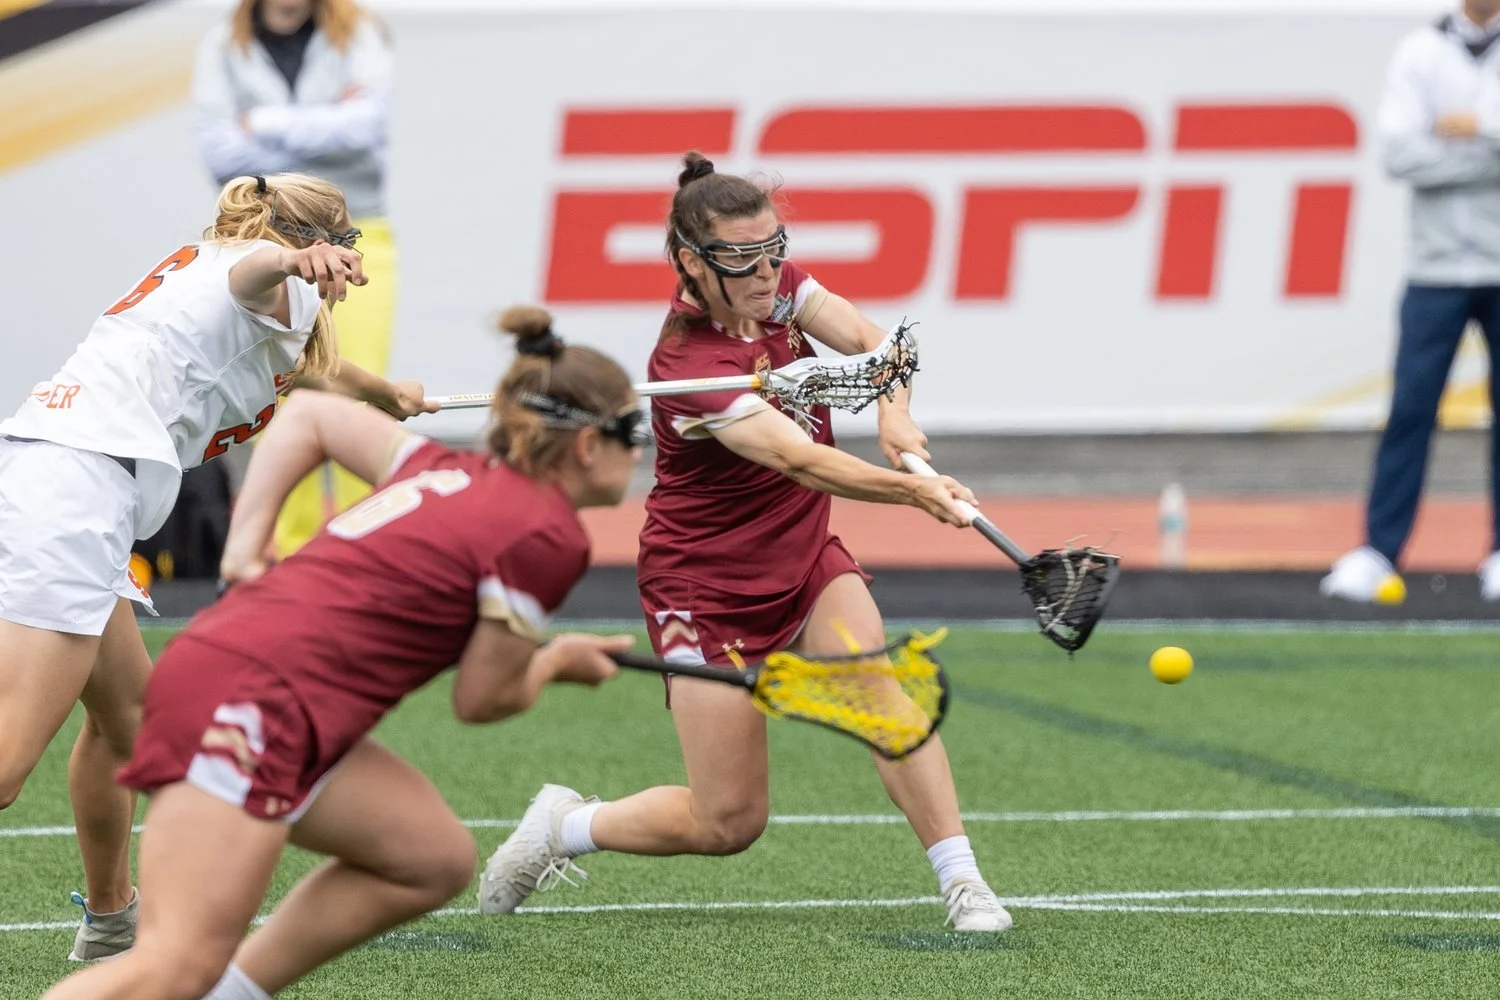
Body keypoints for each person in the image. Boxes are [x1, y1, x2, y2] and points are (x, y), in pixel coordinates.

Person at [40, 308, 645, 1000]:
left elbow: (309, 417)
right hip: (253, 704)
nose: (638, 453)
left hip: (246, 682)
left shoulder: (445, 467)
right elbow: (481, 699)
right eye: (631, 435)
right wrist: (555, 662)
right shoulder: (548, 536)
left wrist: (245, 547)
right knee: (174, 964)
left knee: (431, 858)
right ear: (587, 445)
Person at [480, 153, 1013, 932]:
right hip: (705, 587)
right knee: (728, 821)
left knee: (881, 699)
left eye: (774, 250)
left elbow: (880, 343)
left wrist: (893, 411)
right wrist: (913, 491)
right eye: (742, 258)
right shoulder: (688, 365)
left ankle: (964, 884)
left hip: (806, 558)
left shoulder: (783, 290)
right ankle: (564, 827)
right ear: (692, 262)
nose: (765, 273)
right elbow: (800, 459)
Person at [0, 171, 431, 962]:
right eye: (343, 242)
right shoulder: (250, 271)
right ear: (310, 242)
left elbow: (306, 369)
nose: (349, 259)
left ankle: (112, 920)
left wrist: (385, 394)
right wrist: (291, 261)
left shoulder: (239, 290)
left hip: (66, 481)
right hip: (73, 494)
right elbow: (255, 273)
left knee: (130, 724)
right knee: (5, 767)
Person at [193, 0, 399, 558]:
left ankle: (365, 553)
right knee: (281, 392)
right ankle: (290, 557)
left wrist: (261, 123)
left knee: (360, 393)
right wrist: (326, 124)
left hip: (358, 231)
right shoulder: (221, 44)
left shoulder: (358, 32)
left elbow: (367, 126)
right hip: (266, 240)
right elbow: (219, 153)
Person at [1322, 0, 1500, 602]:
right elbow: (1399, 155)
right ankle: (1379, 551)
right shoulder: (1420, 51)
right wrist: (1489, 146)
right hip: (1434, 270)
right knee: (1410, 411)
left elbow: (1430, 150)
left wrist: (1470, 128)